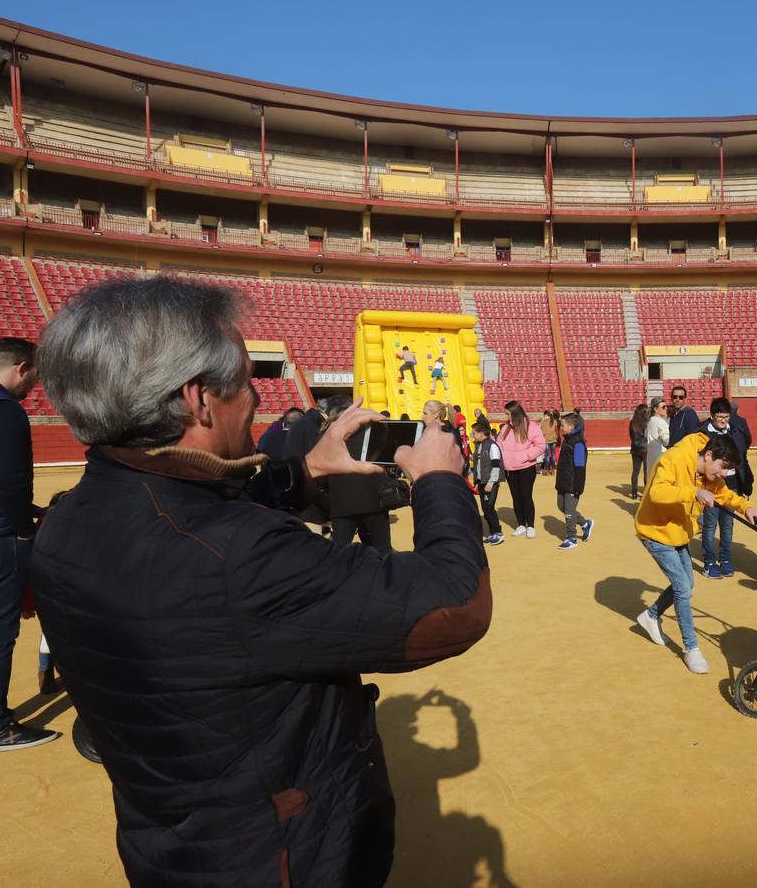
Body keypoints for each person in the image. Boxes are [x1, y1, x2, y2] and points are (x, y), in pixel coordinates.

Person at [30, 276, 491, 886]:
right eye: (246, 383)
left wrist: (305, 470)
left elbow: (188, 506)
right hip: (279, 853)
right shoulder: (242, 556)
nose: (255, 400)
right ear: (199, 401)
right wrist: (439, 481)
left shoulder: (68, 518)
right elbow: (455, 603)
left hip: (169, 839)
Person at [0, 337, 60, 756]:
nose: (33, 388)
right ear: (21, 368)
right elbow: (8, 480)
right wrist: (25, 527)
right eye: (34, 378)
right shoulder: (3, 409)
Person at [633, 433, 757, 674]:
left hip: (679, 531)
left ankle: (650, 616)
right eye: (723, 467)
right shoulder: (675, 458)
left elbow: (723, 494)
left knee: (687, 585)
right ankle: (691, 648)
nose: (723, 474)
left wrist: (746, 507)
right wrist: (693, 492)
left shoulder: (710, 471)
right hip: (654, 531)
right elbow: (657, 492)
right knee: (682, 587)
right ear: (709, 455)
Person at [325, 394, 393, 553]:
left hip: (342, 504)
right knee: (382, 551)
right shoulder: (374, 431)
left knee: (339, 553)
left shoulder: (326, 436)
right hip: (373, 501)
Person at [699, 397, 748, 578]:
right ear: (712, 416)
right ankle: (709, 561)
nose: (723, 420)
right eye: (719, 416)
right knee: (710, 525)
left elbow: (742, 456)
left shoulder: (735, 431)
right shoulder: (702, 433)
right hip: (711, 485)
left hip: (732, 484)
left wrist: (745, 485)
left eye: (726, 416)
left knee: (728, 525)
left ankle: (726, 559)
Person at [497, 401, 546, 538]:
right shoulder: (506, 428)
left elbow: (540, 445)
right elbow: (499, 444)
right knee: (516, 497)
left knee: (526, 496)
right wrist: (503, 457)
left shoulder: (531, 426)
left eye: (507, 414)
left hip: (526, 467)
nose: (506, 417)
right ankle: (520, 525)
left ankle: (530, 526)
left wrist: (526, 456)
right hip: (510, 468)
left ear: (514, 413)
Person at [555, 412, 593, 550]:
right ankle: (585, 523)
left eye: (563, 425)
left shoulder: (578, 443)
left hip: (572, 484)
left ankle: (571, 537)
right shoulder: (567, 439)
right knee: (562, 507)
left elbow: (580, 467)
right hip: (563, 481)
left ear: (571, 426)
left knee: (569, 511)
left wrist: (578, 487)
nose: (561, 427)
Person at [470, 419, 504, 545]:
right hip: (482, 481)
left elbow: (496, 465)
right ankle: (493, 532)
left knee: (489, 507)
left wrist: (491, 482)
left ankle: (497, 532)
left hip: (490, 482)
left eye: (474, 433)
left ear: (481, 433)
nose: (473, 435)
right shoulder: (480, 446)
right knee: (485, 508)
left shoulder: (492, 446)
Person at [628, 403, 650, 500]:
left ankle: (634, 492)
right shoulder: (648, 422)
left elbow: (631, 436)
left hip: (635, 449)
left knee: (635, 471)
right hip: (645, 449)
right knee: (646, 472)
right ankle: (645, 492)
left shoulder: (633, 422)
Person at [644, 396, 670, 478]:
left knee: (651, 478)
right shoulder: (661, 422)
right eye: (663, 407)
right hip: (660, 454)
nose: (666, 408)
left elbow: (646, 435)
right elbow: (667, 441)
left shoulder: (650, 421)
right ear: (655, 409)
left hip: (650, 454)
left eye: (666, 406)